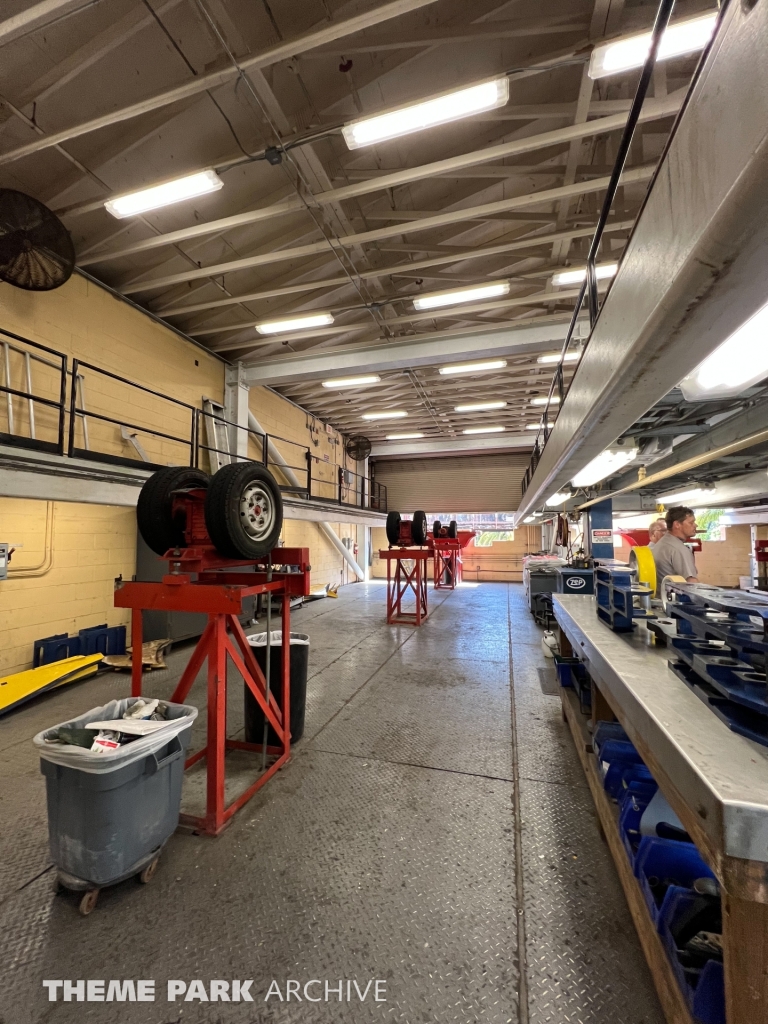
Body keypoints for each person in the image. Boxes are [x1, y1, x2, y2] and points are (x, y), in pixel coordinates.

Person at [651, 507, 699, 590]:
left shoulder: (663, 543)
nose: (695, 525)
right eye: (691, 523)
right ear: (677, 525)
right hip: (674, 600)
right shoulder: (678, 549)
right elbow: (691, 583)